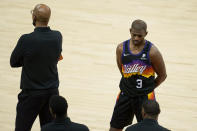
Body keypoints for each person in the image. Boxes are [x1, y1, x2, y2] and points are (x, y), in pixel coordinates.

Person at [10, 4, 63, 131]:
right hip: (52, 93)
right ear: (48, 19)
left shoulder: (26, 39)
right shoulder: (57, 37)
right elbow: (56, 56)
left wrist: (30, 61)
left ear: (34, 16)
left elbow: (13, 62)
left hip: (31, 94)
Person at [110, 19, 167, 131]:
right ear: (130, 31)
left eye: (140, 36)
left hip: (145, 97)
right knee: (114, 128)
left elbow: (163, 75)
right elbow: (122, 70)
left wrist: (149, 87)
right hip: (126, 94)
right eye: (134, 35)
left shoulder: (152, 52)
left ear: (146, 34)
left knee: (147, 129)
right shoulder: (121, 48)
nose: (136, 38)